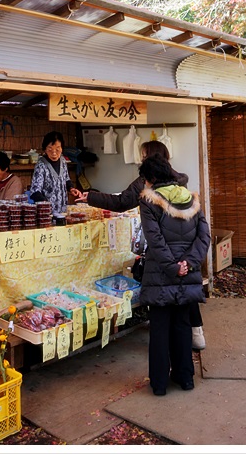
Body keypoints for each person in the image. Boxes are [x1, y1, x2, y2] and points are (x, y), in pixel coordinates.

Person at [78, 139, 207, 350]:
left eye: (145, 155)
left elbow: (122, 202)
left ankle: (167, 343)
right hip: (186, 247)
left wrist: (91, 197)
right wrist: (191, 260)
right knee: (185, 290)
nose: (142, 159)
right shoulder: (180, 182)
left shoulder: (147, 184)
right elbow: (203, 233)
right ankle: (195, 332)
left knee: (164, 295)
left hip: (164, 251)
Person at [138, 154, 210, 396]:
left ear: (151, 178)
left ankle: (159, 384)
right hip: (187, 273)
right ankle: (185, 378)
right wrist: (188, 264)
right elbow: (204, 237)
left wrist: (172, 266)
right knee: (182, 324)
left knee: (159, 329)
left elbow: (155, 240)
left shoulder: (149, 201)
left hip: (161, 274)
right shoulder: (192, 199)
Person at [29, 131, 83, 214]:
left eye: (57, 149)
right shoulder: (41, 165)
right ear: (45, 149)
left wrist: (71, 188)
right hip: (47, 213)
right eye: (50, 149)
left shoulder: (63, 161)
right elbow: (34, 192)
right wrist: (45, 203)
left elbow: (66, 179)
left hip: (63, 211)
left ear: (62, 148)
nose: (54, 153)